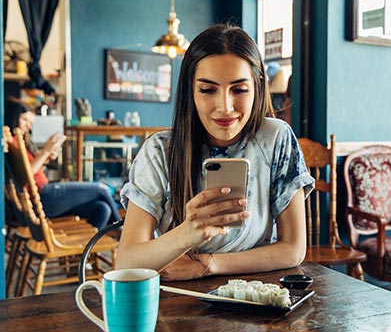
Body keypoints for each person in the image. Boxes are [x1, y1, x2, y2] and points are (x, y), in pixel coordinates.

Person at [117, 23, 314, 281]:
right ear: (191, 91)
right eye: (208, 90)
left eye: (239, 90)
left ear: (257, 88)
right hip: (177, 298)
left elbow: (294, 249)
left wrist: (207, 264)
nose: (225, 107)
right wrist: (187, 234)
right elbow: (125, 262)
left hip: (254, 294)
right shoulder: (160, 150)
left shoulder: (276, 138)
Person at [4, 97, 122, 230]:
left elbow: (30, 171)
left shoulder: (15, 143)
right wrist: (45, 151)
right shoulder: (13, 143)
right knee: (102, 189)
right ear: (12, 116)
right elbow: (24, 176)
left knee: (102, 208)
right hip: (43, 196)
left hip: (43, 195)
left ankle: (86, 249)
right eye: (25, 120)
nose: (28, 126)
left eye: (30, 122)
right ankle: (123, 233)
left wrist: (46, 157)